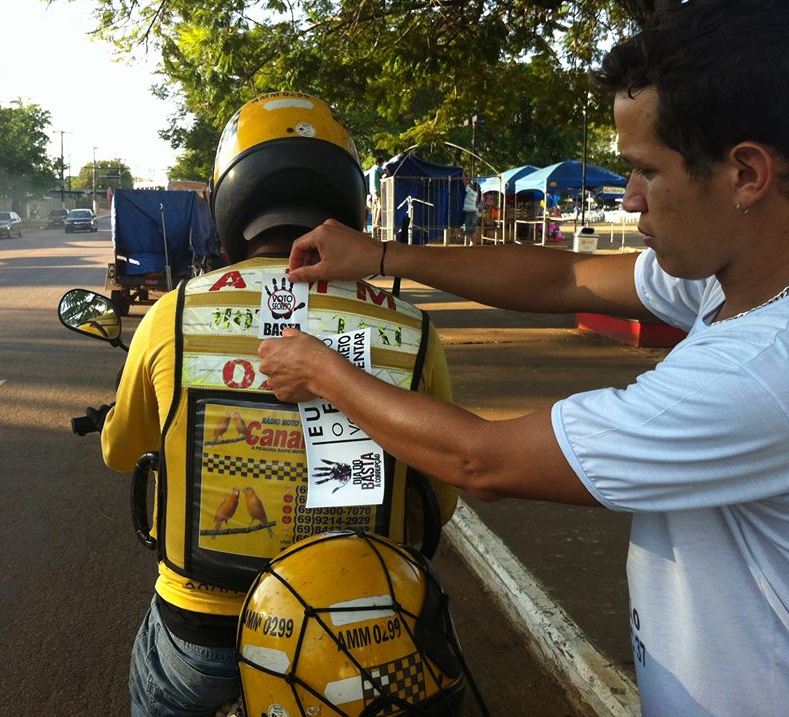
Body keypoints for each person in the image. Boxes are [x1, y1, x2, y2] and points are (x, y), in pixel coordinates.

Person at [258, 2, 789, 714]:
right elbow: (565, 276)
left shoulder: (759, 371)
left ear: (746, 174)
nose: (629, 199)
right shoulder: (730, 279)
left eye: (645, 170)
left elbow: (484, 460)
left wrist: (320, 369)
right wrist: (382, 255)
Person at [99, 91, 458, 717]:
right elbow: (439, 502)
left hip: (203, 621)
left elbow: (120, 451)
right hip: (354, 626)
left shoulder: (172, 316)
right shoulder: (410, 329)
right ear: (348, 199)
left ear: (230, 202)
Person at [461, 176, 480, 244]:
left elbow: (464, 183)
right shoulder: (476, 193)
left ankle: (472, 242)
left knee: (469, 228)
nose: (470, 185)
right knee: (472, 227)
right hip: (473, 211)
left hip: (469, 211)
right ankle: (472, 243)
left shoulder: (470, 191)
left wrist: (463, 174)